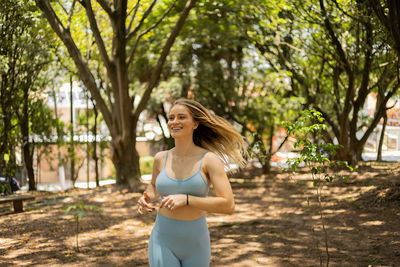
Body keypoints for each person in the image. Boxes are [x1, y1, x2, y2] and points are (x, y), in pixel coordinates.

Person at [137, 99, 247, 267]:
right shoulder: (161, 158)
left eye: (181, 117)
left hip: (196, 243)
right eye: (171, 117)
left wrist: (187, 199)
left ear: (195, 124)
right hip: (162, 239)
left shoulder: (209, 160)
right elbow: (153, 186)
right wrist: (146, 197)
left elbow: (228, 205)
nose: (175, 122)